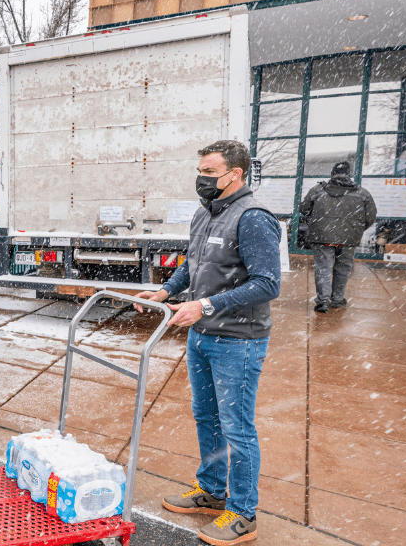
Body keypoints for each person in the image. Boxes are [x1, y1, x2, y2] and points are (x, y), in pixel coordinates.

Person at [134, 140, 281, 546]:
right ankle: (213, 493)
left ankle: (243, 513)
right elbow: (192, 263)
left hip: (238, 341)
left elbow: (268, 283)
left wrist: (207, 304)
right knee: (207, 417)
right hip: (202, 337)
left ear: (236, 174)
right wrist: (166, 292)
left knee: (238, 428)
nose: (202, 179)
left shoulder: (253, 218)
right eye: (200, 170)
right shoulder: (206, 213)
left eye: (210, 172)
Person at [299, 161, 377, 313]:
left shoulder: (318, 190)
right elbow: (371, 217)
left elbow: (304, 208)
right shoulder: (362, 193)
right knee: (343, 269)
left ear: (332, 174)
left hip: (322, 236)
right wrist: (355, 229)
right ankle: (337, 299)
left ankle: (322, 301)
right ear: (349, 175)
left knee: (323, 268)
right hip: (348, 238)